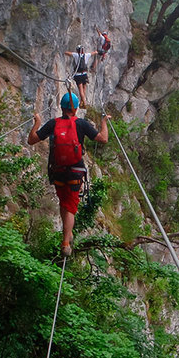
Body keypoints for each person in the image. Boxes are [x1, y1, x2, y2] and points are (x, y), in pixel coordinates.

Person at [28, 92, 109, 257]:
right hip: (75, 171)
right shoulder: (82, 124)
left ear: (62, 108)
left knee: (63, 202)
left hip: (58, 171)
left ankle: (67, 233)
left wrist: (37, 123)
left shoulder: (53, 123)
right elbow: (103, 139)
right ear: (76, 109)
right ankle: (66, 242)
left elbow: (32, 140)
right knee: (71, 207)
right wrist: (104, 122)